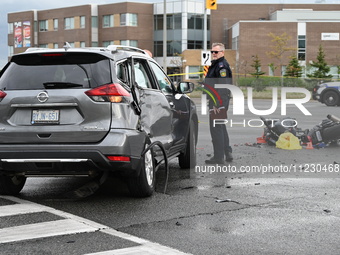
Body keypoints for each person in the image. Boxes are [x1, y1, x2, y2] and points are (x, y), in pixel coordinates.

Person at [204, 42, 233, 164]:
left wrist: (216, 103)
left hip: (218, 100)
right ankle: (227, 152)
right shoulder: (215, 65)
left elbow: (222, 85)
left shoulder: (221, 66)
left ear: (222, 52)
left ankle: (218, 157)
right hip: (218, 99)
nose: (214, 54)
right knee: (220, 126)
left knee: (216, 128)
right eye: (212, 52)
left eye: (216, 52)